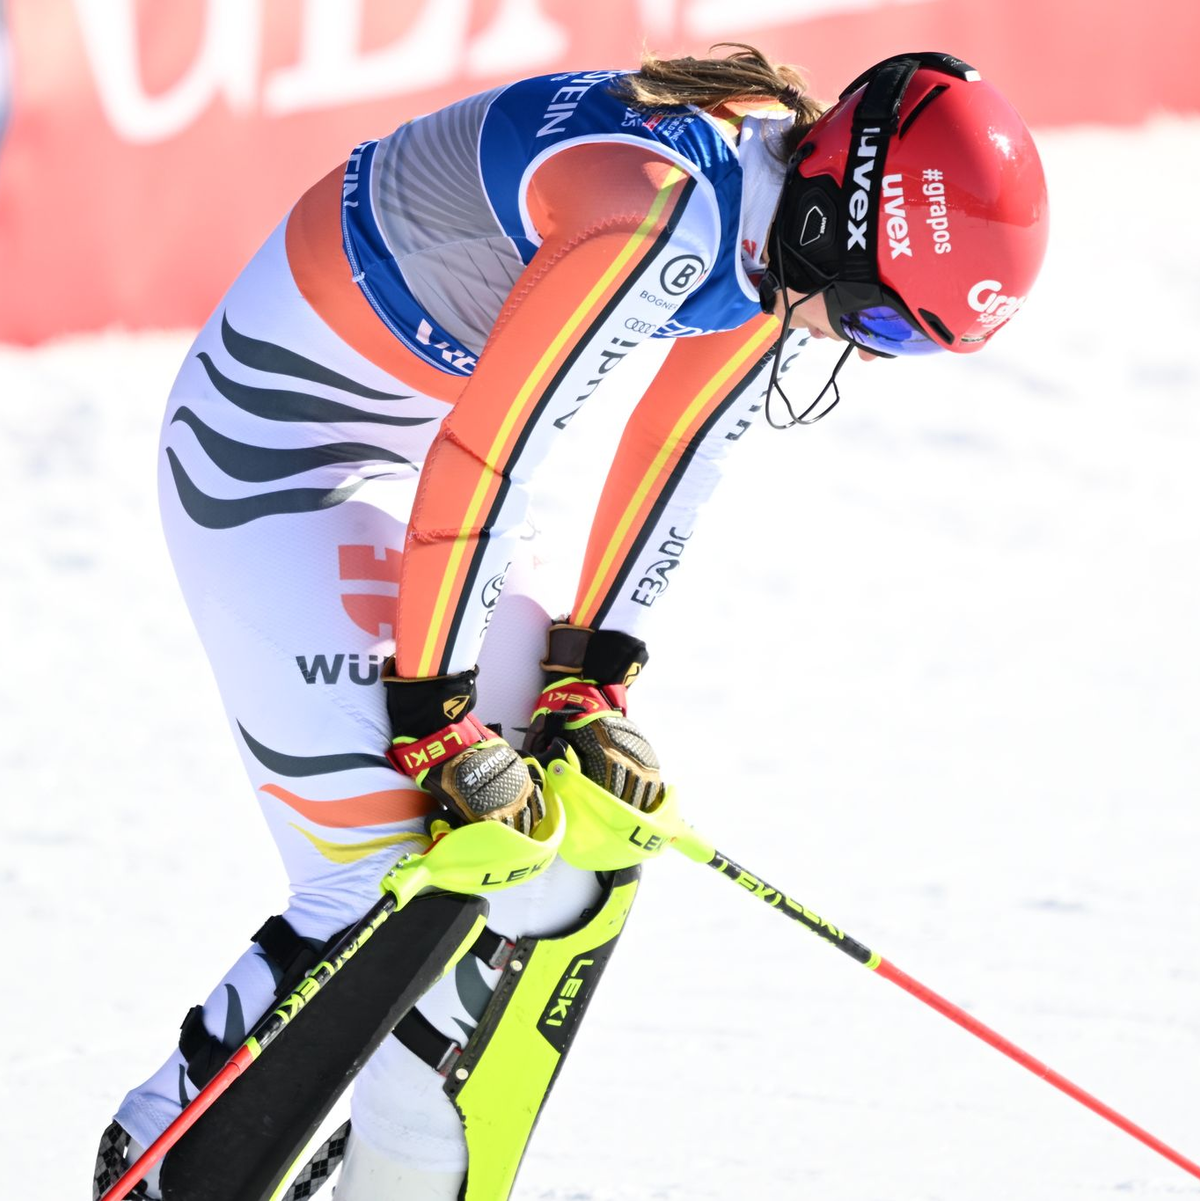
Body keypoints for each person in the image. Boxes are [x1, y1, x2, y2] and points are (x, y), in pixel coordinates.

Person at [95, 44, 1048, 1201]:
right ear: (841, 221)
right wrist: (438, 720)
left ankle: (408, 1171)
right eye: (879, 323)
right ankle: (162, 1158)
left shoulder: (777, 207)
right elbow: (492, 453)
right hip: (266, 466)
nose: (855, 346)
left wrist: (592, 676)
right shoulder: (654, 213)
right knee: (393, 881)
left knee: (573, 854)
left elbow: (681, 448)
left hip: (401, 470)